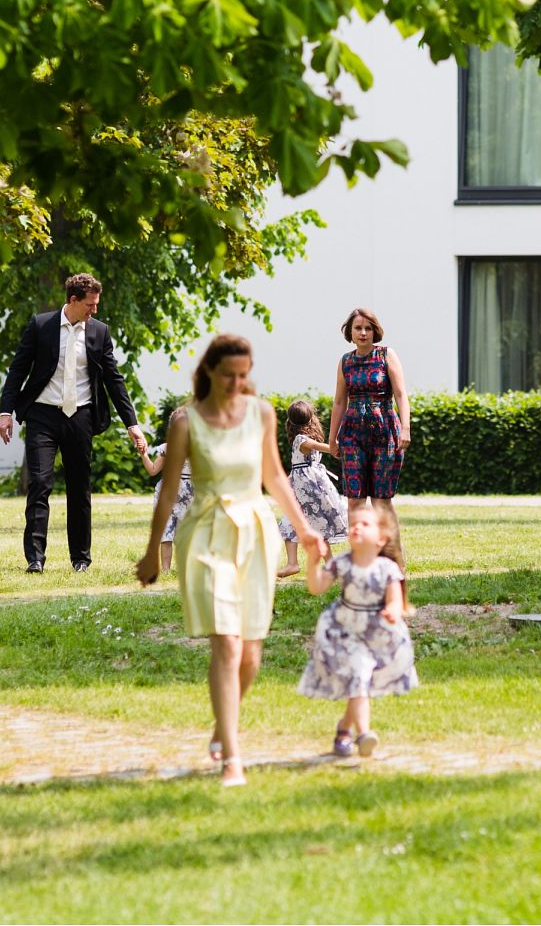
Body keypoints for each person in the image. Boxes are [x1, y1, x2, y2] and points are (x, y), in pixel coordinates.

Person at [136, 335, 325, 788]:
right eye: (228, 376)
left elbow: (275, 476)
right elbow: (166, 492)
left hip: (255, 533)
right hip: (203, 532)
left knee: (251, 653)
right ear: (209, 373)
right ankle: (232, 758)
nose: (237, 383)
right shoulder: (186, 422)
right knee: (226, 641)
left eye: (244, 375)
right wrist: (150, 552)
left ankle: (224, 725)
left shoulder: (260, 414)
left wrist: (305, 531)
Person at [0, 274, 146, 573]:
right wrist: (6, 411)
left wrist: (132, 423)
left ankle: (80, 559)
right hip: (43, 414)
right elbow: (19, 369)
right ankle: (35, 559)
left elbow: (113, 379)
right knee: (39, 483)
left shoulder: (99, 333)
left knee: (80, 488)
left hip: (80, 416)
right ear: (73, 300)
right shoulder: (41, 326)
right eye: (90, 305)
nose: (94, 310)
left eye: (96, 304)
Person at [297, 502, 418, 758]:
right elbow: (317, 587)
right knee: (360, 676)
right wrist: (312, 562)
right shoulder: (341, 563)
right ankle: (364, 734)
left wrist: (393, 611)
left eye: (365, 524)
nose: (356, 528)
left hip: (376, 633)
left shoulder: (388, 569)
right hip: (345, 632)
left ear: (381, 538)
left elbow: (395, 599)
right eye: (353, 524)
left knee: (360, 681)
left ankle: (344, 730)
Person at [329, 308, 410, 509]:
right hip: (352, 435)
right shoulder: (345, 362)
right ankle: (359, 542)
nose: (363, 333)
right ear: (350, 332)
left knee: (381, 500)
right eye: (358, 328)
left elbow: (400, 394)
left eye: (368, 328)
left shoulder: (386, 355)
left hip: (385, 432)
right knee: (354, 500)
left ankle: (390, 542)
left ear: (375, 331)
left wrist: (406, 428)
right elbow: (339, 402)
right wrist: (332, 438)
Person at [274, 400, 349, 579]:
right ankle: (300, 564)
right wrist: (335, 448)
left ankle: (300, 564)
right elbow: (315, 448)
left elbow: (313, 449)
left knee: (300, 523)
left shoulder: (300, 438)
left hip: (307, 489)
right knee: (294, 523)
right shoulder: (303, 439)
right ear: (311, 418)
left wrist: (334, 448)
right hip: (308, 488)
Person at [139, 406, 192, 576]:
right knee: (166, 534)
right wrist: (144, 454)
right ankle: (166, 570)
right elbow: (153, 470)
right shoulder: (166, 448)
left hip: (189, 496)